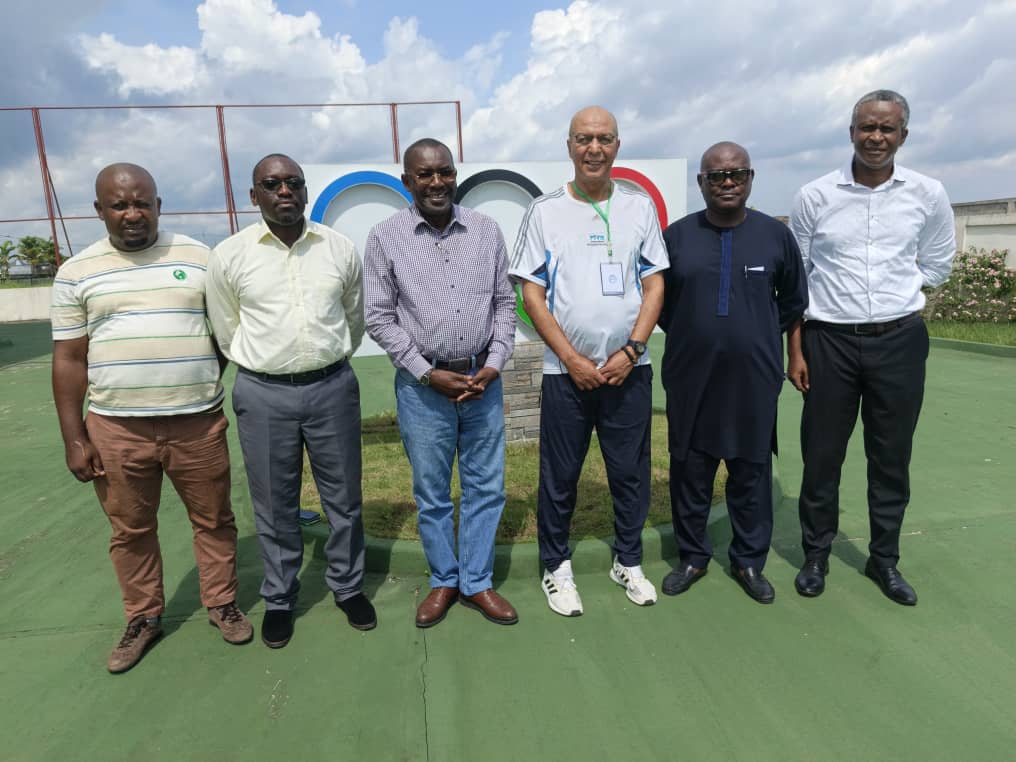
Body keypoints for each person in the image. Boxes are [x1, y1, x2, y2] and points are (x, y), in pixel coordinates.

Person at [51, 163, 252, 674]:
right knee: (131, 529)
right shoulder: (76, 271)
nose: (133, 213)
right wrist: (75, 438)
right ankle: (143, 618)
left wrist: (199, 376)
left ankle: (222, 603)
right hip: (117, 429)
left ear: (159, 204)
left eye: (143, 202)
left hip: (198, 424)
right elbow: (70, 360)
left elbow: (223, 334)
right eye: (119, 205)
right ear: (100, 211)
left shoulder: (200, 258)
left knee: (214, 520)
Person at [788, 90, 956, 605]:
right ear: (851, 132)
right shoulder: (815, 195)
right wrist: (796, 351)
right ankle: (816, 555)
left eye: (887, 129)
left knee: (890, 458)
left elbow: (937, 263)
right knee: (821, 456)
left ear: (903, 135)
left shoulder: (927, 194)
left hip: (899, 341)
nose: (875, 138)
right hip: (829, 342)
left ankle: (884, 561)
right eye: (867, 127)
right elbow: (798, 279)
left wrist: (896, 299)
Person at [206, 153, 375, 646]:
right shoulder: (231, 255)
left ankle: (347, 587)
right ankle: (280, 596)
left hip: (331, 387)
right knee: (275, 502)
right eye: (272, 184)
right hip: (263, 393)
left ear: (303, 191)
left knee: (343, 497)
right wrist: (266, 365)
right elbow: (225, 327)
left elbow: (353, 316)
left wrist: (326, 360)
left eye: (293, 183)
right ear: (253, 194)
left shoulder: (338, 248)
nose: (285, 191)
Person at [510, 106, 669, 616]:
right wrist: (569, 357)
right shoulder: (544, 211)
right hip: (565, 374)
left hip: (629, 371)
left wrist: (633, 349)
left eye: (603, 139)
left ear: (618, 145)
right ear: (569, 146)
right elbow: (530, 293)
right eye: (584, 139)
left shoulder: (638, 207)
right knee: (560, 477)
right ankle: (555, 568)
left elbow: (654, 283)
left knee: (629, 473)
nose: (594, 148)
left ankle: (628, 560)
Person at [363, 138, 518, 628]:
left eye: (444, 172)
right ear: (407, 181)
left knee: (486, 487)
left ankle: (477, 582)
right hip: (422, 387)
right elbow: (378, 317)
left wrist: (493, 363)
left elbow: (505, 304)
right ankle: (443, 581)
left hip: (482, 380)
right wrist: (427, 373)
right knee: (432, 492)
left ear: (455, 174)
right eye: (424, 174)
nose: (436, 182)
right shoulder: (385, 236)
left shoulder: (486, 230)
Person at [658, 142, 807, 604]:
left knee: (751, 473)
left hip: (754, 379)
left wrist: (790, 355)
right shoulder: (676, 237)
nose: (726, 183)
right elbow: (659, 305)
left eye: (736, 175)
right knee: (690, 470)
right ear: (700, 182)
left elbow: (793, 304)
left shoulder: (775, 237)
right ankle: (693, 557)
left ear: (750, 179)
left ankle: (748, 560)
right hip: (690, 377)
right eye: (716, 176)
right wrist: (697, 334)